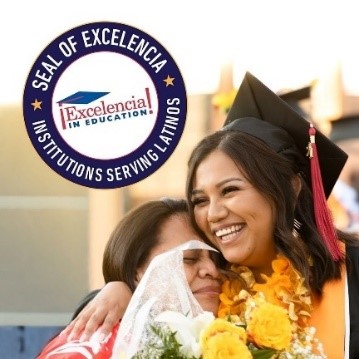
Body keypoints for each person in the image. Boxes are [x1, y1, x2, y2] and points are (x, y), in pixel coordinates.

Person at [65, 73, 359, 358]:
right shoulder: (214, 290)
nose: (215, 213)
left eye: (230, 190)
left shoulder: (351, 273)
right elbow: (151, 293)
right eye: (200, 200)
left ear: (290, 187)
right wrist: (117, 289)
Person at [36, 198, 224, 358]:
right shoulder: (91, 343)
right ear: (137, 271)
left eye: (218, 259)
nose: (212, 270)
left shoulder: (236, 333)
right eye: (189, 258)